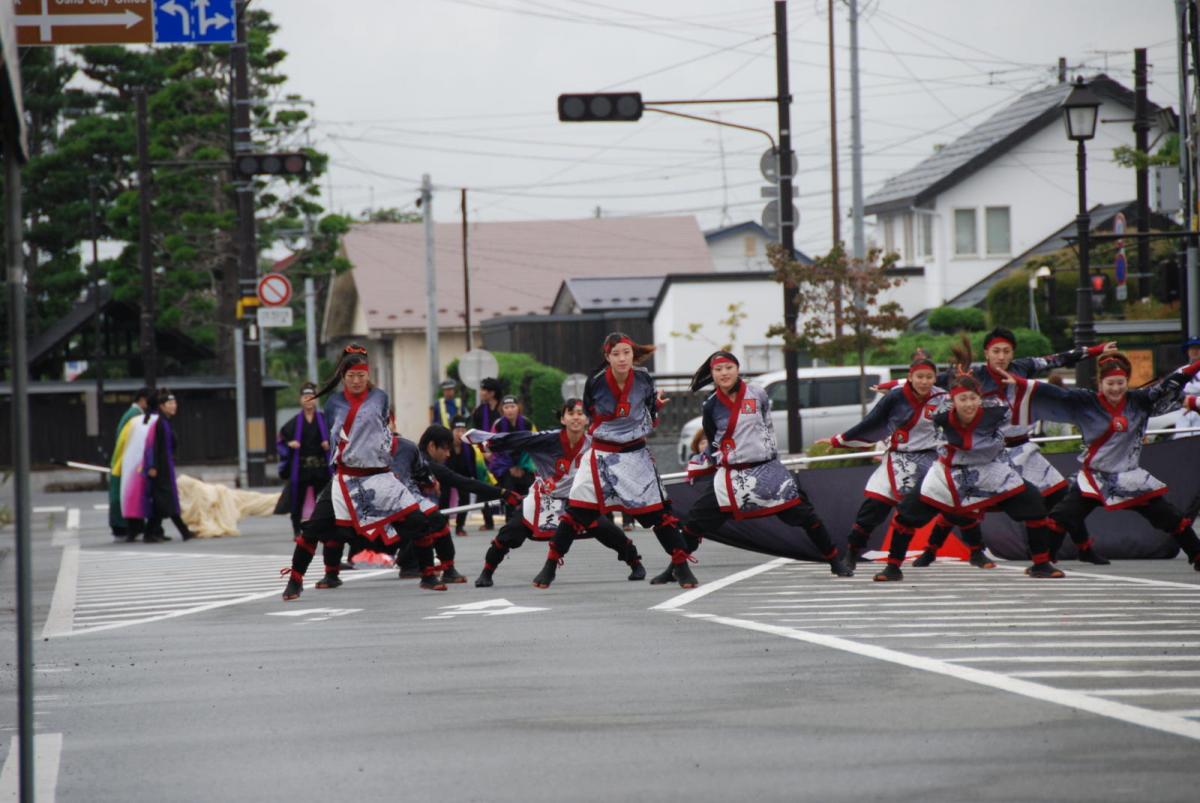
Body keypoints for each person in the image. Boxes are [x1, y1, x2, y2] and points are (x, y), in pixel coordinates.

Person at [916, 327, 1114, 565]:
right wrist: (898, 386)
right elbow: (929, 383)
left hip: (1025, 450)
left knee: (1063, 496)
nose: (1001, 356)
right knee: (959, 504)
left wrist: (1096, 350)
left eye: (1006, 351)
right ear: (986, 353)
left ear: (1013, 353)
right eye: (996, 351)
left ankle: (1083, 548)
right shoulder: (973, 375)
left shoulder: (1023, 367)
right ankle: (931, 550)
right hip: (987, 455)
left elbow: (1058, 358)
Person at [878, 346, 1063, 581]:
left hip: (988, 470)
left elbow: (1025, 401)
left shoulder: (995, 411)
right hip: (947, 473)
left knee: (1033, 501)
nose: (967, 404)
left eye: (972, 398)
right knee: (907, 513)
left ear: (980, 398)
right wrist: (891, 389)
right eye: (962, 399)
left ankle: (1041, 564)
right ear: (952, 400)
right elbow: (916, 392)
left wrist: (1018, 382)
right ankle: (893, 566)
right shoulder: (941, 412)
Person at [532, 332, 698, 589]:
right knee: (575, 512)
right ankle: (551, 564)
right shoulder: (596, 382)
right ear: (607, 357)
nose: (622, 359)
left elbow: (649, 410)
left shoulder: (643, 378)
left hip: (635, 454)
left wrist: (657, 407)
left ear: (633, 354)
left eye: (627, 353)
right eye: (616, 354)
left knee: (659, 515)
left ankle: (681, 565)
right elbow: (590, 414)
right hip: (601, 454)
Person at [281, 344, 440, 600]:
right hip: (346, 477)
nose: (356, 381)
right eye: (351, 376)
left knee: (419, 521)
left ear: (368, 375)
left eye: (361, 375)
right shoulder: (333, 403)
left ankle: (429, 575)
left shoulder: (381, 397)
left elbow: (384, 431)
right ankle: (295, 581)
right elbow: (335, 440)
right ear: (343, 377)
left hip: (379, 475)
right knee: (311, 530)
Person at [1024, 350, 1200, 572]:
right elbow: (1054, 394)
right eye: (1110, 383)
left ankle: (1197, 554)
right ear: (1100, 383)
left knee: (1170, 517)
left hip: (1128, 477)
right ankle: (1042, 564)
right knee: (1061, 517)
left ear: (1127, 381)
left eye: (1120, 382)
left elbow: (1173, 381)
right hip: (1094, 477)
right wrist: (1020, 383)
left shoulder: (1140, 400)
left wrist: (1196, 364)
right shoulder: (1086, 402)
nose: (1115, 388)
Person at [682, 351, 853, 577]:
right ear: (712, 374)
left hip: (767, 469)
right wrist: (703, 463)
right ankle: (676, 566)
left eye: (728, 368)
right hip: (732, 475)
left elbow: (766, 427)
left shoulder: (758, 393)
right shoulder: (711, 405)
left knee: (806, 515)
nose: (724, 373)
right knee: (695, 520)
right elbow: (714, 442)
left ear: (737, 369)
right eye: (718, 370)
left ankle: (834, 560)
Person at [467, 398, 645, 587]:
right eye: (570, 414)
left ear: (587, 419)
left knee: (606, 529)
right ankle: (487, 571)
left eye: (580, 413)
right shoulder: (547, 439)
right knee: (512, 531)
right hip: (545, 496)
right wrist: (488, 443)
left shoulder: (597, 443)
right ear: (563, 419)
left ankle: (635, 563)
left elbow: (623, 448)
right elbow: (520, 438)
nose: (575, 418)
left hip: (578, 499)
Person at [817, 357, 975, 569]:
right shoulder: (895, 398)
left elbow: (967, 406)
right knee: (872, 509)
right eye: (919, 376)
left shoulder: (943, 397)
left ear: (935, 378)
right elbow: (871, 422)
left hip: (930, 460)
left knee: (952, 505)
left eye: (929, 377)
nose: (924, 381)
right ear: (910, 377)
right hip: (897, 458)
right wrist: (839, 440)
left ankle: (949, 551)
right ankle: (852, 553)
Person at [392, 424, 520, 586]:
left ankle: (411, 561)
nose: (448, 454)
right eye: (445, 449)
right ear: (432, 446)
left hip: (399, 520)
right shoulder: (425, 463)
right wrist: (503, 493)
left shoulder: (415, 457)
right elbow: (464, 483)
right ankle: (438, 568)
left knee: (429, 519)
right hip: (393, 521)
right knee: (435, 521)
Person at [276, 382, 332, 538]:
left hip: (321, 468)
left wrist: (329, 443)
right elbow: (281, 439)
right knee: (297, 501)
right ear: (301, 400)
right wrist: (290, 444)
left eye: (312, 397)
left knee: (323, 501)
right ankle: (297, 530)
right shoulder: (295, 422)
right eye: (306, 397)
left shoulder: (324, 420)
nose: (309, 400)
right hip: (301, 469)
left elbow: (338, 437)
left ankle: (321, 529)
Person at [140, 389, 195, 543]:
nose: (174, 406)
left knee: (163, 501)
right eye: (170, 403)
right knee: (166, 499)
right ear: (162, 406)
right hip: (160, 467)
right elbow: (153, 446)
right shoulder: (160, 423)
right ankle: (183, 532)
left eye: (174, 402)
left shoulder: (164, 422)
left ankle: (151, 533)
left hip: (165, 466)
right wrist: (152, 466)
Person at [108, 386, 151, 539]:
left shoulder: (133, 414)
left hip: (124, 460)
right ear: (142, 400)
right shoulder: (134, 415)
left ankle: (129, 527)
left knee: (124, 494)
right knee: (125, 494)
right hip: (126, 461)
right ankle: (124, 527)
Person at [441, 416, 490, 536]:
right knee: (444, 498)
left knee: (465, 499)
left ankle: (459, 527)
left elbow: (477, 467)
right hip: (446, 476)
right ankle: (443, 526)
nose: (460, 433)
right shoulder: (445, 445)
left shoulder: (470, 447)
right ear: (451, 431)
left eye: (463, 430)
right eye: (457, 430)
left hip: (463, 476)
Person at [489, 395, 536, 513]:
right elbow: (493, 448)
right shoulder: (498, 425)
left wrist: (522, 466)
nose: (510, 410)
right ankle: (509, 520)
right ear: (502, 410)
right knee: (509, 494)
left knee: (531, 492)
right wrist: (510, 467)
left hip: (525, 465)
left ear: (518, 408)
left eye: (512, 406)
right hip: (505, 467)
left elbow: (535, 445)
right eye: (506, 407)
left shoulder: (527, 423)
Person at [471, 377, 504, 530]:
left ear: (492, 393)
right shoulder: (479, 411)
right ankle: (488, 521)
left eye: (484, 390)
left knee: (506, 486)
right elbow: (474, 434)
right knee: (483, 488)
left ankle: (509, 518)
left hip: (503, 456)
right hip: (484, 456)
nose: (482, 393)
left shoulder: (503, 409)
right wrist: (483, 452)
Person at [1173, 336, 1200, 439]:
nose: (1195, 351)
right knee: (1181, 438)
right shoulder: (1181, 370)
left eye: (1197, 348)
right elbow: (1173, 390)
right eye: (1192, 348)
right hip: (1184, 409)